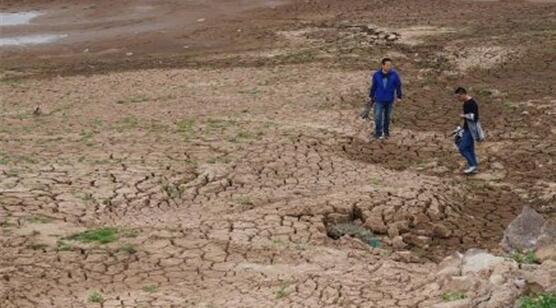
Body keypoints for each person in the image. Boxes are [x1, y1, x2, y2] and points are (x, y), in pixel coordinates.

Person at [362, 58, 403, 140]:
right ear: (382, 65)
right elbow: (374, 86)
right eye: (387, 65)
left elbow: (398, 85)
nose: (389, 67)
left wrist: (399, 96)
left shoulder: (394, 75)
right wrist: (371, 96)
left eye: (390, 65)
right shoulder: (376, 75)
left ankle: (386, 132)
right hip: (379, 99)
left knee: (387, 117)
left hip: (389, 99)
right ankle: (378, 133)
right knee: (377, 117)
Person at [454, 87, 484, 174]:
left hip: (471, 130)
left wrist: (464, 116)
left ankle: (472, 165)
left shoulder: (471, 103)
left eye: (458, 97)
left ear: (463, 94)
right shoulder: (465, 103)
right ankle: (474, 166)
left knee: (462, 148)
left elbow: (474, 117)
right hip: (467, 128)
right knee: (470, 148)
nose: (458, 99)